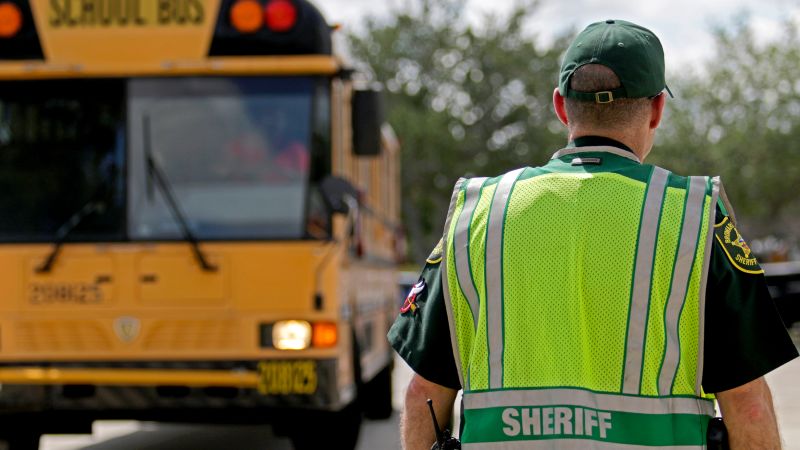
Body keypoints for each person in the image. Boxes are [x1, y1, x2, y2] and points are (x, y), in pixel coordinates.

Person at [388, 19, 798, 449]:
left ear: (561, 106)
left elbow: (422, 396)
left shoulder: (478, 212)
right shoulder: (694, 217)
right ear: (657, 108)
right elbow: (748, 407)